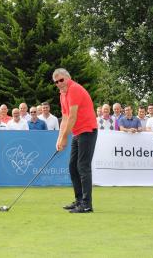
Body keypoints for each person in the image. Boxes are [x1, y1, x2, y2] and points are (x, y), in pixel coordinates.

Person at [54, 68, 98, 213]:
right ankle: (79, 200)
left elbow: (73, 116)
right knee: (73, 166)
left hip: (87, 130)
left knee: (83, 166)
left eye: (61, 80)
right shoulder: (62, 94)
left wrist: (65, 137)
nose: (59, 84)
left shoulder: (74, 89)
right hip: (78, 133)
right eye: (56, 82)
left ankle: (87, 204)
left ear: (68, 77)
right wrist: (60, 139)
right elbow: (65, 118)